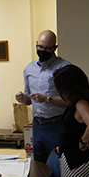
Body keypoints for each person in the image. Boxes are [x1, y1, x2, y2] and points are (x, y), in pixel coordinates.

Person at [15, 30, 70, 164]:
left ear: (55, 48)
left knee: (58, 164)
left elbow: (70, 100)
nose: (42, 50)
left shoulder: (64, 68)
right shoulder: (29, 69)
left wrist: (47, 99)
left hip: (56, 124)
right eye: (40, 47)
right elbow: (29, 99)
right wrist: (24, 99)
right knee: (39, 164)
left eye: (47, 48)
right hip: (37, 125)